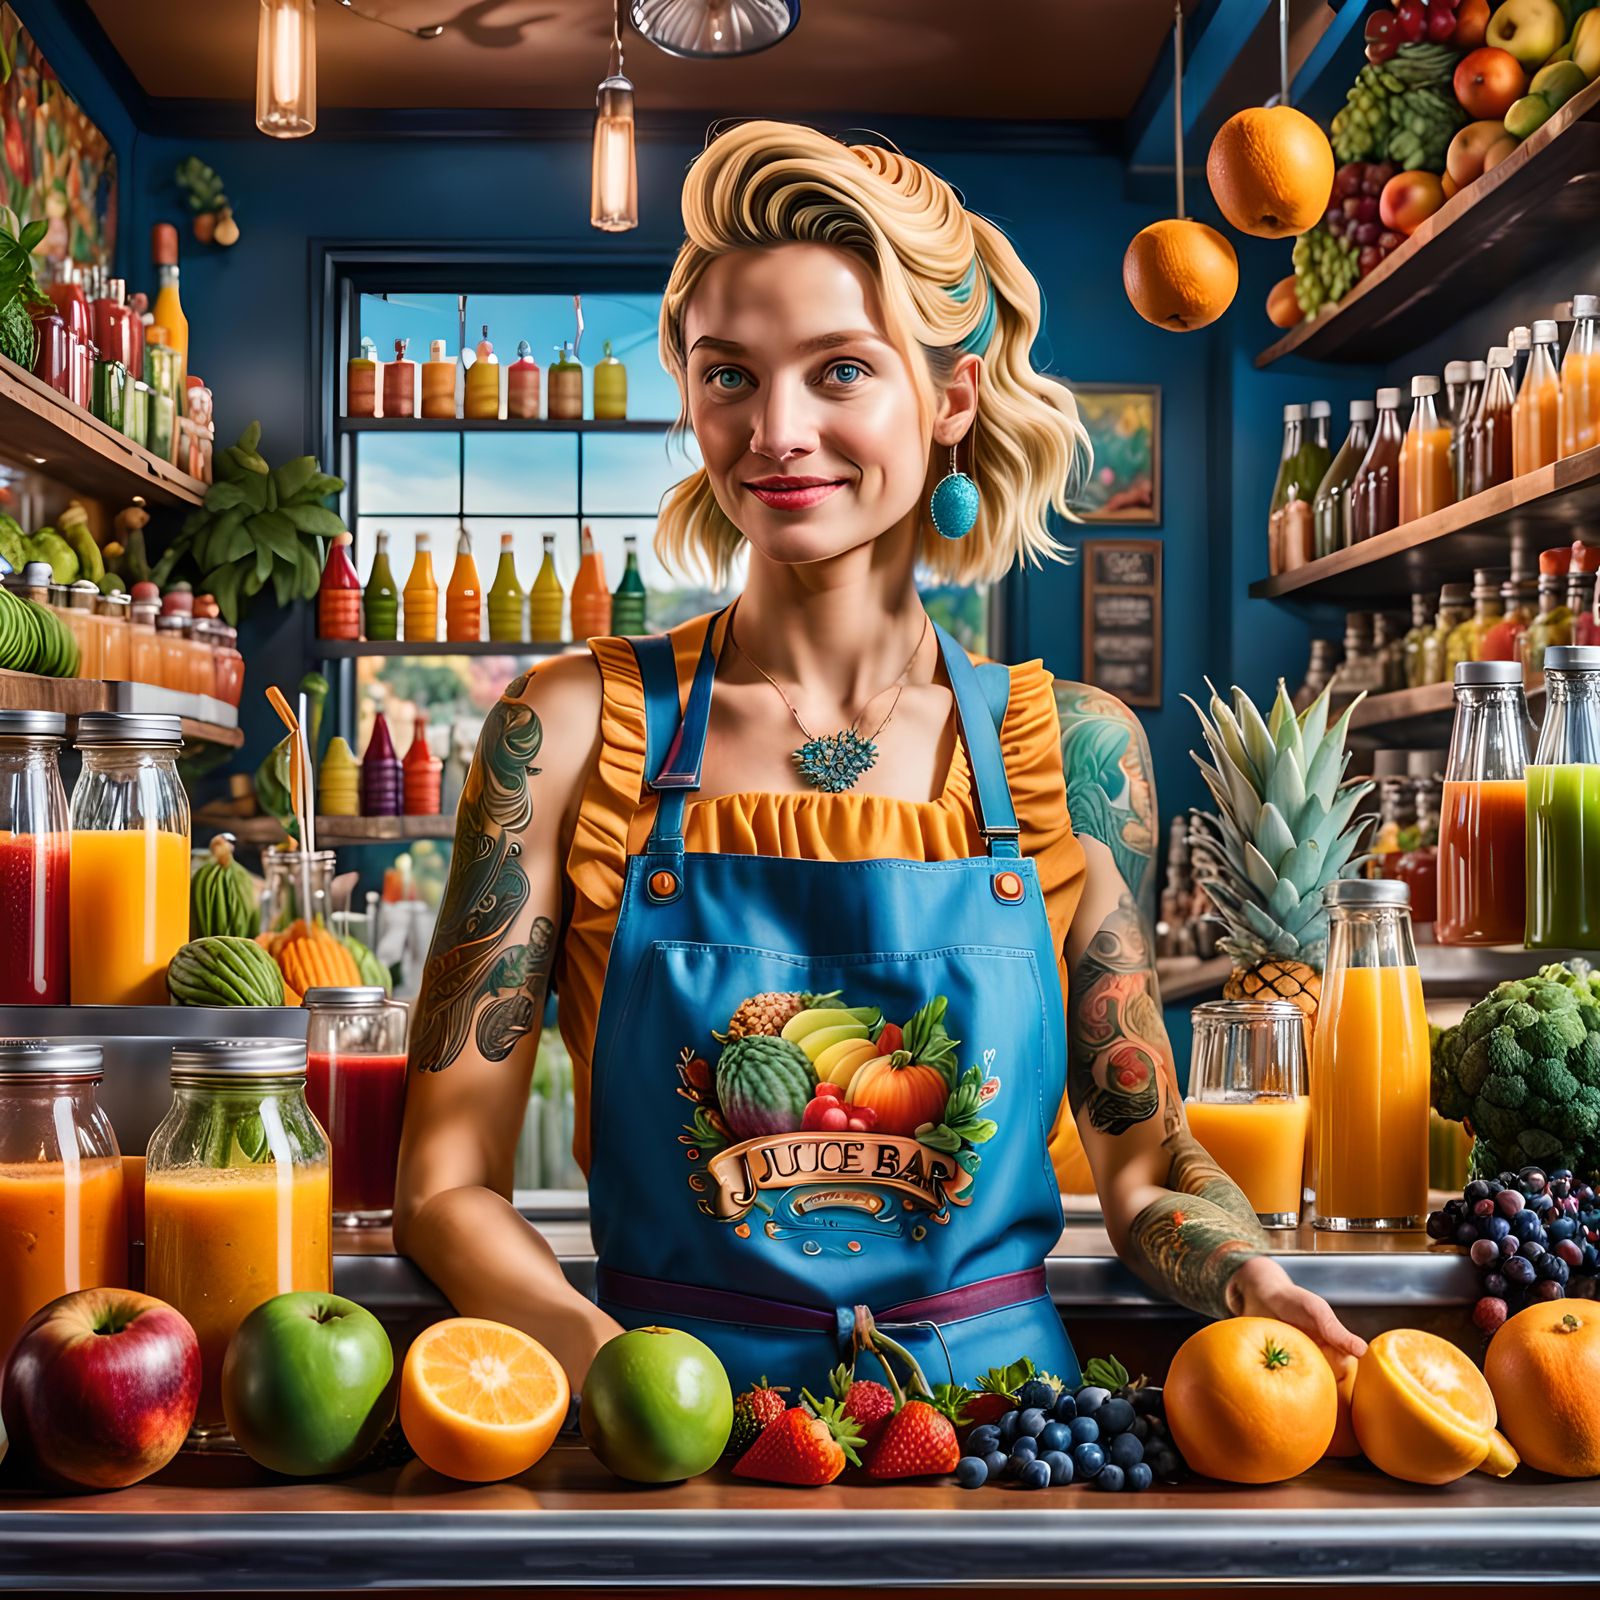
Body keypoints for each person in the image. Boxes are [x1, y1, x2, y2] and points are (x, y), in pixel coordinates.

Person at [394, 119, 1364, 1396]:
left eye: (841, 371)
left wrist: (1251, 1274)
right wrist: (622, 1381)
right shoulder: (568, 726)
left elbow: (1143, 1159)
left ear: (951, 393)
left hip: (1006, 1435)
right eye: (728, 375)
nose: (775, 429)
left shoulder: (1067, 751)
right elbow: (445, 1184)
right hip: (672, 1438)